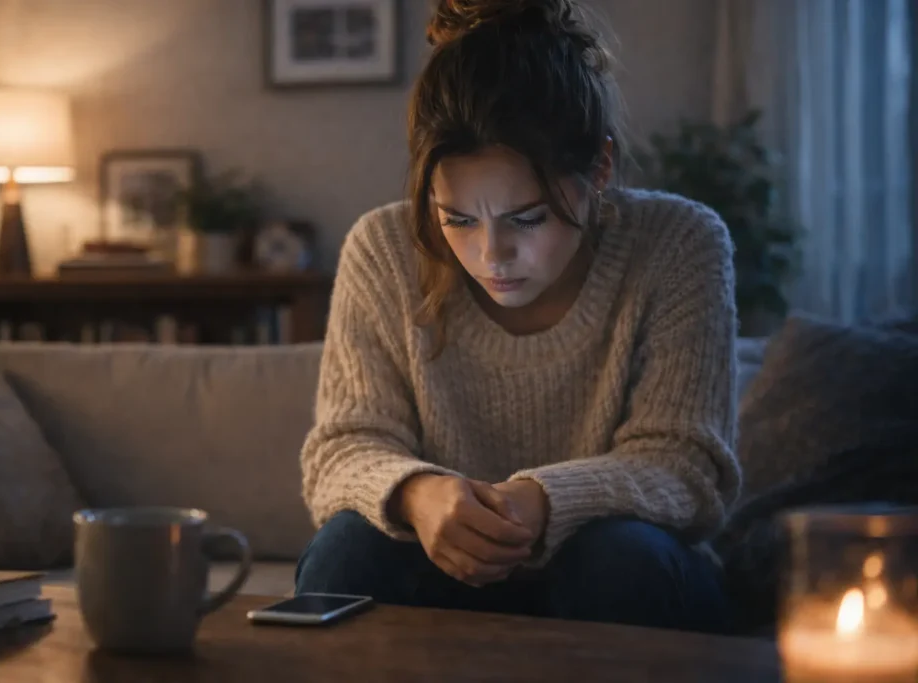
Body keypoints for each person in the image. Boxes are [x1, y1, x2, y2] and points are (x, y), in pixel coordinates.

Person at [296, 0, 740, 634]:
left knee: (619, 558)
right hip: (446, 573)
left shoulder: (678, 243)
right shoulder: (382, 250)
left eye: (527, 219)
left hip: (624, 575)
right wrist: (417, 495)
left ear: (601, 168)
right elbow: (343, 449)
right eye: (457, 220)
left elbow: (688, 466)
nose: (492, 255)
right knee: (347, 550)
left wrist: (546, 499)